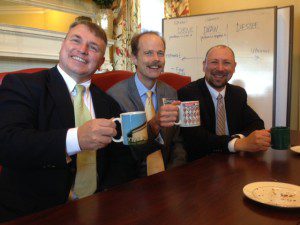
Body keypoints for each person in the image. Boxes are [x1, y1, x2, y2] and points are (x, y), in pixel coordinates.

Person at [0, 21, 147, 222]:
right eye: (76, 40)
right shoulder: (23, 85)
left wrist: (107, 198)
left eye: (93, 47)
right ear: (63, 44)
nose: (83, 50)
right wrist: (76, 139)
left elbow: (121, 160)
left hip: (98, 209)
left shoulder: (108, 103)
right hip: (35, 212)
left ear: (101, 61)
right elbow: (8, 144)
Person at [107, 31, 186, 175]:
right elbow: (122, 154)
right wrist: (154, 125)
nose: (156, 59)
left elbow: (177, 142)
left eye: (160, 53)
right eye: (148, 53)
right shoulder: (115, 96)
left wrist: (176, 174)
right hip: (132, 181)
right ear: (134, 58)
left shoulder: (171, 93)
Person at [178, 45, 271, 161]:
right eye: (214, 62)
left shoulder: (238, 93)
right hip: (201, 163)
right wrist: (237, 144)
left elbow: (257, 124)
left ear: (234, 67)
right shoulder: (188, 94)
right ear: (204, 65)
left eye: (226, 63)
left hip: (233, 162)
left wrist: (238, 139)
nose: (220, 68)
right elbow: (195, 138)